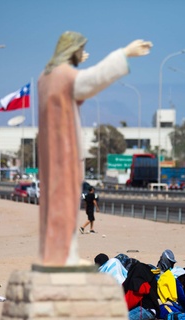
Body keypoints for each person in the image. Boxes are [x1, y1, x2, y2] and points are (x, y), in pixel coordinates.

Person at [37, 31, 152, 265]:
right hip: (63, 149)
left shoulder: (46, 75)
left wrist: (73, 63)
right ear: (70, 52)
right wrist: (124, 53)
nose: (82, 53)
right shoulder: (61, 76)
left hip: (55, 148)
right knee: (64, 204)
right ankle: (62, 256)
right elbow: (92, 80)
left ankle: (63, 253)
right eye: (79, 50)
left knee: (63, 204)